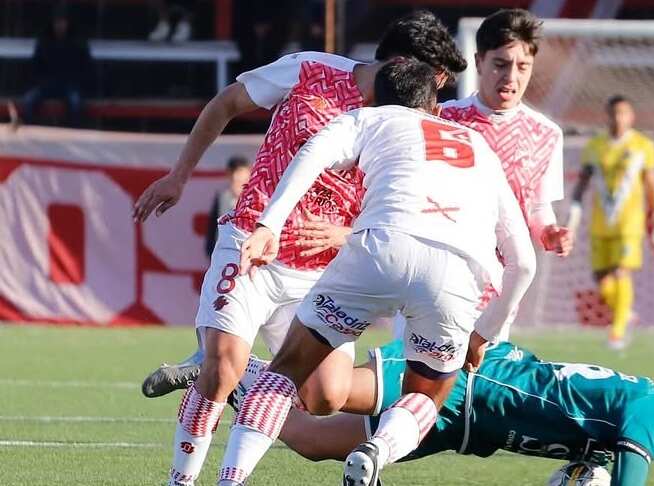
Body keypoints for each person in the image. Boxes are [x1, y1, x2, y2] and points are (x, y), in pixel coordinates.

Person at [131, 11, 466, 485]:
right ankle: (184, 475)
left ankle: (235, 369)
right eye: (435, 81)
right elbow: (226, 103)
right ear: (400, 63)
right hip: (252, 242)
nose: (435, 99)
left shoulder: (415, 128)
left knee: (326, 396)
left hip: (323, 272)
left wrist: (347, 236)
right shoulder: (311, 71)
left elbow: (410, 210)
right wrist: (180, 174)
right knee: (220, 368)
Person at [219, 58, 535, 486]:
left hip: (380, 249)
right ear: (436, 107)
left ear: (374, 97)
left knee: (287, 371)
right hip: (457, 276)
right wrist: (485, 334)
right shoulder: (478, 145)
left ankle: (230, 480)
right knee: (427, 395)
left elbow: (312, 153)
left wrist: (269, 224)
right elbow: (524, 263)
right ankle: (377, 449)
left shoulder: (364, 118)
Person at [233, 341, 654, 486]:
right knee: (332, 391)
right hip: (475, 382)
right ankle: (234, 359)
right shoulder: (652, 408)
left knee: (310, 440)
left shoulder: (644, 421)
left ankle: (231, 380)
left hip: (470, 427)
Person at [390, 8, 573, 342]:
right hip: (434, 270)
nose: (512, 77)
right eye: (500, 65)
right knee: (412, 372)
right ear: (479, 62)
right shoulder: (442, 118)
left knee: (477, 381)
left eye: (522, 67)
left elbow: (536, 206)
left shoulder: (546, 133)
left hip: (497, 284)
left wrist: (548, 232)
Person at [567, 95, 654, 350]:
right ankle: (623, 312)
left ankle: (617, 332)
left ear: (631, 116)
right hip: (600, 224)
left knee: (621, 271)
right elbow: (582, 183)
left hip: (629, 224)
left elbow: (653, 183)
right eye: (614, 113)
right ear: (607, 115)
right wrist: (573, 213)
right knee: (602, 280)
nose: (619, 119)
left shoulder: (642, 146)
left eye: (624, 113)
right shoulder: (594, 146)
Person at [22, 5, 93, 127]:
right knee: (28, 100)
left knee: (76, 102)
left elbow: (85, 66)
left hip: (69, 85)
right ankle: (31, 132)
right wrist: (41, 81)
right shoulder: (44, 40)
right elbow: (35, 65)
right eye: (57, 22)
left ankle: (73, 133)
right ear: (53, 24)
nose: (59, 26)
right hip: (46, 85)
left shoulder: (77, 41)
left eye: (62, 22)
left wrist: (76, 81)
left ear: (67, 23)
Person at [205, 156, 251, 256]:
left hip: (248, 252)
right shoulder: (222, 197)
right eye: (233, 173)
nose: (237, 177)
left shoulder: (257, 199)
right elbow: (213, 228)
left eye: (240, 173)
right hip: (224, 253)